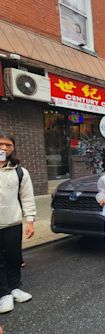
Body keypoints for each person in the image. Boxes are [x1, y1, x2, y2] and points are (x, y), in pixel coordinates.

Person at [0, 132, 36, 314]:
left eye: (8, 145)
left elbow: (27, 197)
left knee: (14, 257)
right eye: (1, 144)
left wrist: (30, 220)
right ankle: (4, 293)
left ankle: (14, 287)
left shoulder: (20, 172)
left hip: (12, 223)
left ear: (13, 148)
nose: (4, 148)